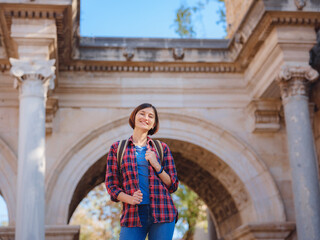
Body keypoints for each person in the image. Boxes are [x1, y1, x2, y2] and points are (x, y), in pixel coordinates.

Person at [106, 103, 179, 240]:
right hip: (132, 214)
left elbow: (173, 184)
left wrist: (157, 165)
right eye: (142, 113)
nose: (146, 117)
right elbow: (111, 186)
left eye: (151, 116)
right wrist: (130, 199)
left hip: (163, 211)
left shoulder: (161, 148)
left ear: (153, 124)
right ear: (134, 117)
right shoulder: (117, 148)